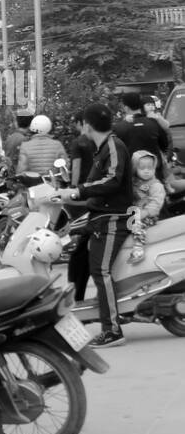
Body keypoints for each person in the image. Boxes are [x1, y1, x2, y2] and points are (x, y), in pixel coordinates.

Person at [57, 103, 133, 348]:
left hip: (112, 218)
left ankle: (112, 330)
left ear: (87, 126)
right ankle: (86, 315)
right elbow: (94, 185)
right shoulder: (101, 148)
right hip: (99, 216)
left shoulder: (112, 145)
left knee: (101, 271)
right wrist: (67, 195)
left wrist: (77, 191)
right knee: (79, 260)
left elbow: (112, 180)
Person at [115, 91, 171, 180]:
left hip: (131, 179)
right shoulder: (154, 123)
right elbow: (165, 145)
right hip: (155, 175)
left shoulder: (119, 128)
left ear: (125, 107)